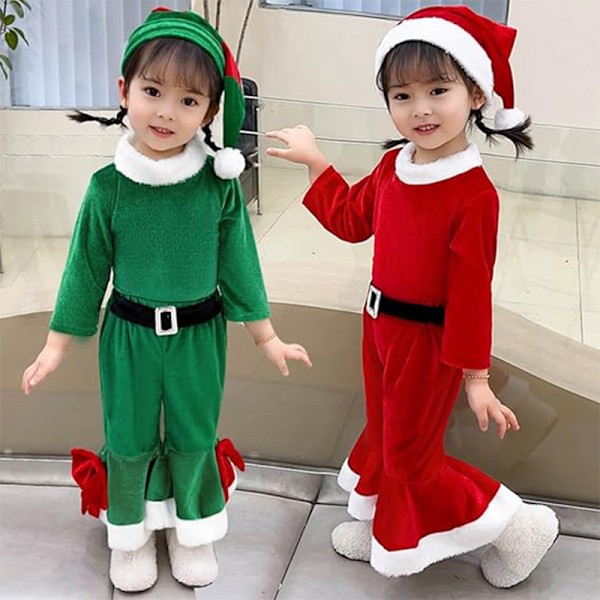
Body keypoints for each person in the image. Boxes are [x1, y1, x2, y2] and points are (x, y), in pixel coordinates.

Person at [266, 5, 558, 588]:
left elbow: (471, 295)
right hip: (378, 329)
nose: (420, 108)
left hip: (428, 342)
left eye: (438, 90)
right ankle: (383, 524)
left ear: (476, 95)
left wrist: (475, 377)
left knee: (410, 455)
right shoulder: (392, 166)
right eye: (402, 96)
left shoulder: (473, 196)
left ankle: (515, 526)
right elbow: (351, 220)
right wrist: (317, 162)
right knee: (383, 434)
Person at [21, 8, 311, 593]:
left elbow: (239, 264)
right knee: (128, 434)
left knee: (193, 431)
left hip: (200, 335)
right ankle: (129, 534)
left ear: (210, 111)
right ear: (124, 90)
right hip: (128, 334)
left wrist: (267, 336)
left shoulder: (217, 188)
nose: (166, 112)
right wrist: (56, 345)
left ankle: (191, 528)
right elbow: (85, 270)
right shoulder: (108, 188)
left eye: (188, 100)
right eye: (153, 91)